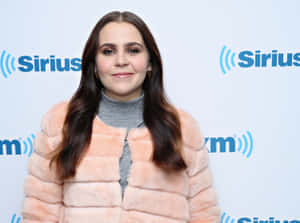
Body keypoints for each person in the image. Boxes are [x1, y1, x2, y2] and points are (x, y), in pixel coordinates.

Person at [21, 11, 221, 223]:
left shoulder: (182, 128)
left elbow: (203, 214)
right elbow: (39, 213)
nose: (121, 61)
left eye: (133, 50)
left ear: (150, 62)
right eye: (108, 51)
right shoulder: (61, 123)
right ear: (94, 66)